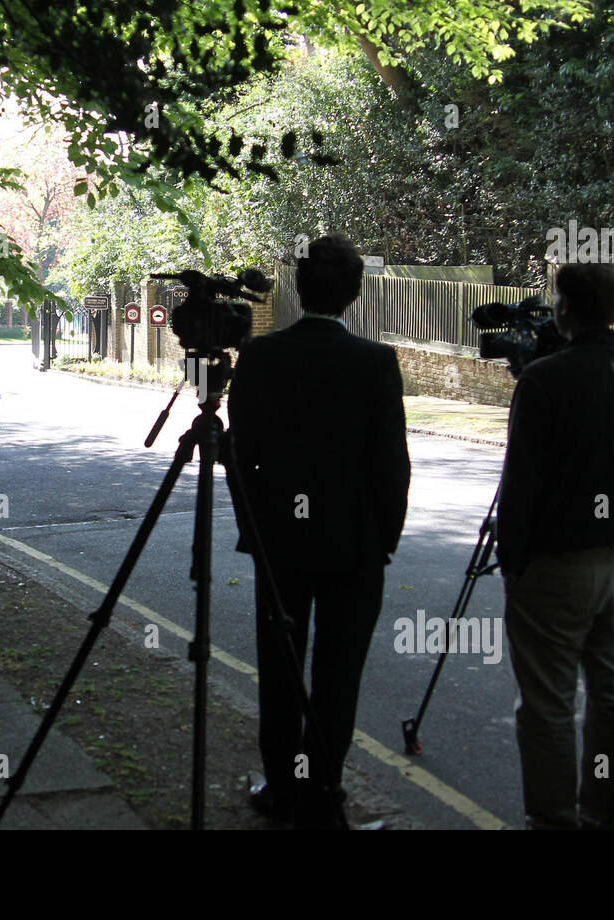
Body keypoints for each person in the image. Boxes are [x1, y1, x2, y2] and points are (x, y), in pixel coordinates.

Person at [228, 234, 411, 828]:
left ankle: (283, 787)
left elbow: (241, 456)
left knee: (279, 671)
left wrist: (254, 531)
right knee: (337, 676)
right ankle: (323, 795)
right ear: (355, 292)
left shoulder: (259, 357)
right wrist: (383, 538)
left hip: (280, 542)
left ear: (298, 289)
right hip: (352, 547)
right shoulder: (375, 363)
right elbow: (391, 465)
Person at [497, 261, 614, 829]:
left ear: (566, 307)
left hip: (556, 562)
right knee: (610, 696)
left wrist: (513, 562)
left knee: (548, 702)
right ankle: (600, 808)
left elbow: (520, 484)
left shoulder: (544, 381)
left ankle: (554, 816)